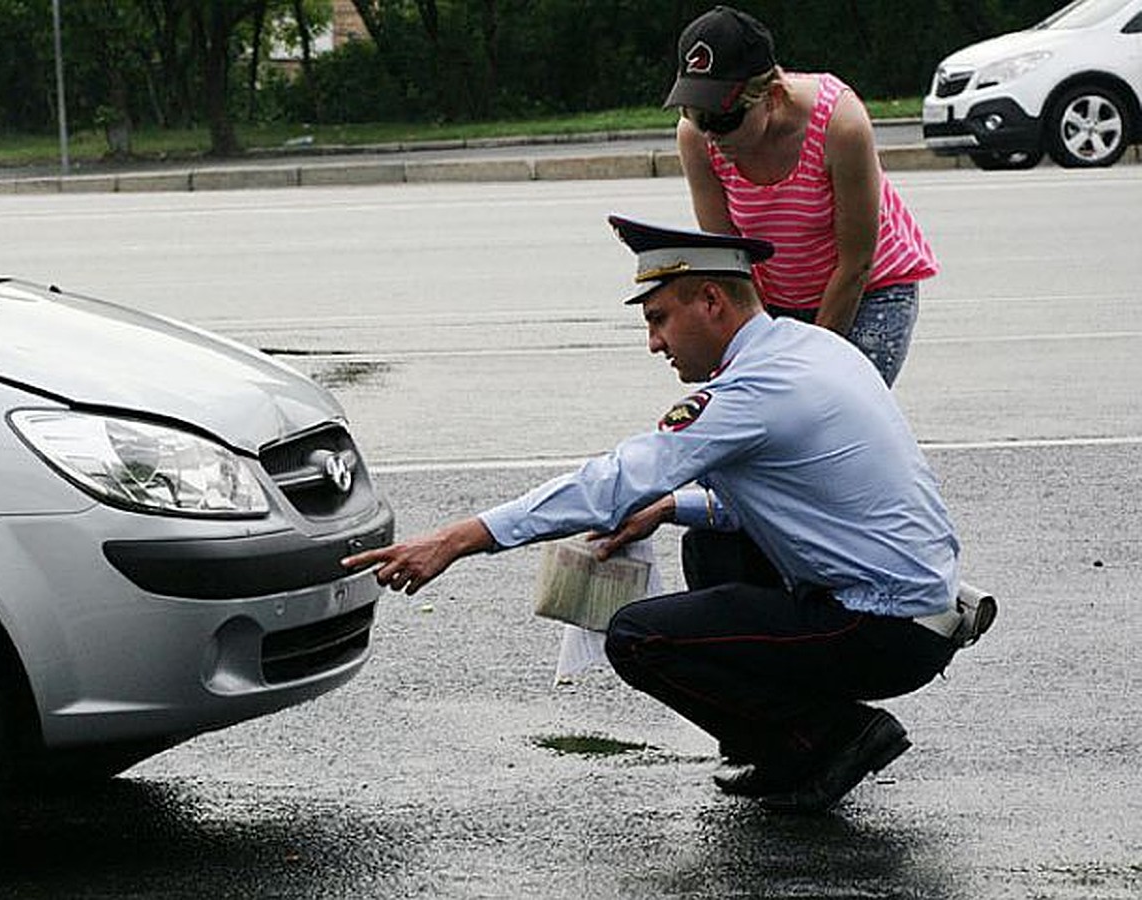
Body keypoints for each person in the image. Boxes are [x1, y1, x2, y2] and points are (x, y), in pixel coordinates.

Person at [343, 215, 993, 814]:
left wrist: (457, 539)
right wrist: (669, 507)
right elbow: (780, 500)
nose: (654, 343)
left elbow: (610, 482)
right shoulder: (805, 347)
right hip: (917, 613)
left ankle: (823, 737)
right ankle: (792, 734)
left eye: (658, 319)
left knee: (639, 638)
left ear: (711, 302)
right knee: (705, 543)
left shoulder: (751, 392)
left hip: (881, 632)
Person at [666, 6, 937, 386]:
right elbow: (729, 258)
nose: (710, 133)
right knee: (778, 420)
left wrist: (810, 360)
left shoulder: (840, 125)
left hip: (870, 291)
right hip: (776, 295)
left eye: (724, 119)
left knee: (834, 408)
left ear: (772, 96)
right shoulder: (696, 138)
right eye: (696, 113)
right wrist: (762, 346)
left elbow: (856, 262)